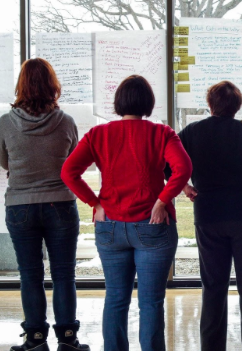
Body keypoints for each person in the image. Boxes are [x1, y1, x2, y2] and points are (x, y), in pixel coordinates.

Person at [61, 75, 192, 351]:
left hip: (109, 226)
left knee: (116, 298)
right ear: (148, 102)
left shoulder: (98, 134)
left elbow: (68, 172)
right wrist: (162, 200)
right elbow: (183, 169)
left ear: (118, 102)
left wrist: (94, 203)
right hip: (153, 226)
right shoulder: (162, 133)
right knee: (151, 302)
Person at [173, 81, 242, 351]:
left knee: (213, 287)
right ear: (237, 105)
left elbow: (167, 164)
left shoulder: (192, 132)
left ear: (210, 104)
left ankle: (211, 347)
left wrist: (185, 186)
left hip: (209, 216)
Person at [0, 58, 90, 351]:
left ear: (21, 85)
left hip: (20, 204)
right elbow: (74, 163)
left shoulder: (5, 122)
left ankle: (35, 339)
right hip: (60, 204)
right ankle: (68, 339)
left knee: (30, 273)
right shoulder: (66, 121)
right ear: (53, 85)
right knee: (64, 273)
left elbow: (4, 162)